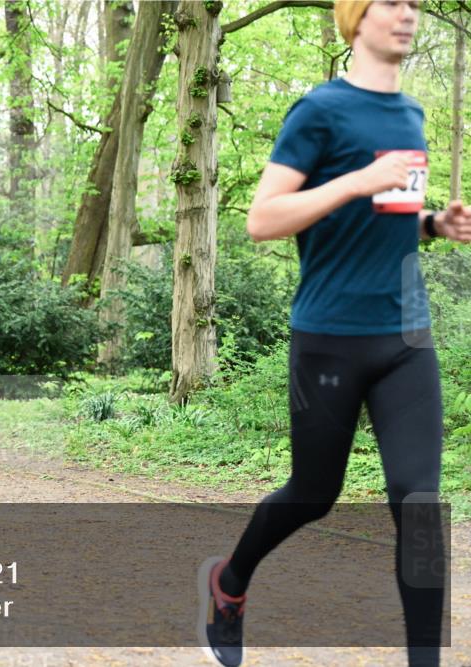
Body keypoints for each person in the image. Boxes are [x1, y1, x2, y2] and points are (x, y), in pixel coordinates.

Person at [198, 3, 471, 667]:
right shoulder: (318, 111)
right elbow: (262, 219)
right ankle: (228, 583)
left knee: (420, 502)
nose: (408, 14)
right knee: (313, 493)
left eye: (414, 3)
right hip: (328, 337)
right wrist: (355, 179)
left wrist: (433, 223)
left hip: (405, 335)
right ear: (356, 17)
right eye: (391, 3)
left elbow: (389, 218)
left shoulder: (411, 116)